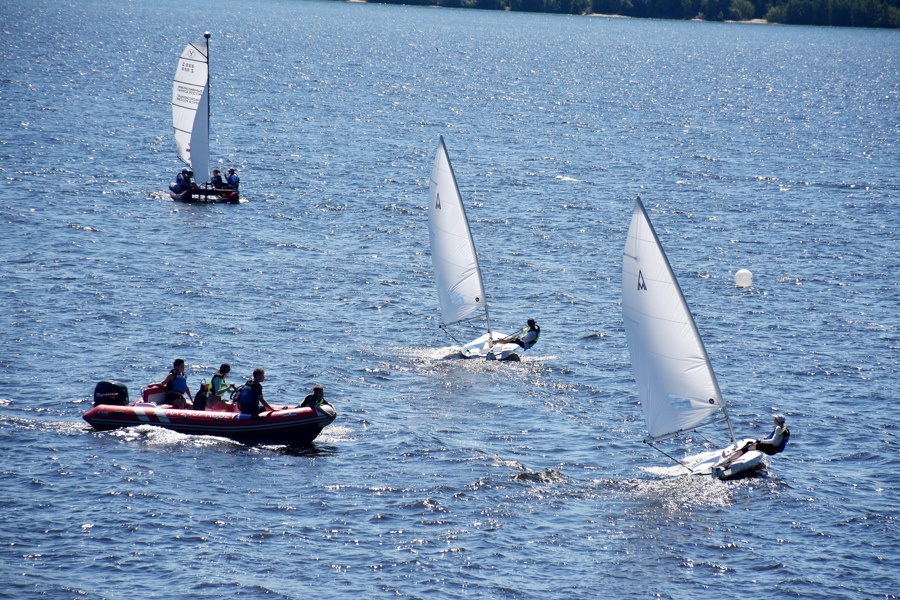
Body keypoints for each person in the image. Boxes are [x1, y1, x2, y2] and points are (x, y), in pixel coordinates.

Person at [721, 415, 790, 464]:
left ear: (777, 421)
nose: (773, 420)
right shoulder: (785, 429)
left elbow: (773, 441)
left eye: (775, 419)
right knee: (749, 443)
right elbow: (777, 441)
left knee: (748, 446)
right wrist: (764, 440)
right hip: (773, 449)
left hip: (770, 449)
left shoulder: (778, 428)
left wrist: (761, 441)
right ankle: (734, 458)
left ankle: (731, 460)